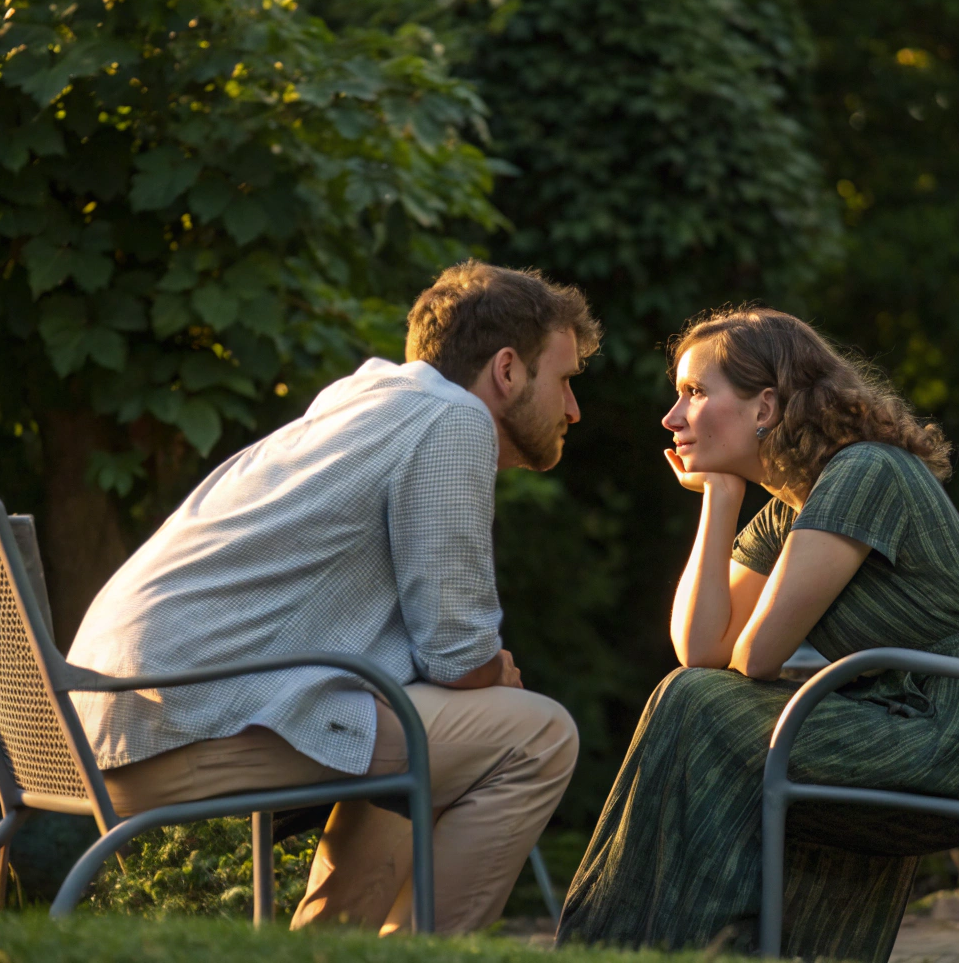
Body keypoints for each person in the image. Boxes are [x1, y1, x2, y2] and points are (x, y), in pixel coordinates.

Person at [65, 260, 601, 934]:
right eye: (565, 380)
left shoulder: (366, 403)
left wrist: (473, 676)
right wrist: (497, 673)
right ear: (508, 370)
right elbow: (458, 656)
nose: (573, 409)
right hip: (179, 725)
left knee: (436, 730)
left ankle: (330, 947)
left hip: (105, 720)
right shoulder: (453, 418)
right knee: (538, 735)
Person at [556, 307, 959, 961]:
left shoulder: (864, 473)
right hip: (912, 720)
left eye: (695, 392)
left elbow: (755, 656)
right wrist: (719, 498)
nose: (672, 418)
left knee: (697, 704)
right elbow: (701, 650)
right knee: (691, 693)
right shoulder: (793, 508)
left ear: (765, 406)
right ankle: (666, 945)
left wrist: (735, 654)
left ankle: (654, 946)